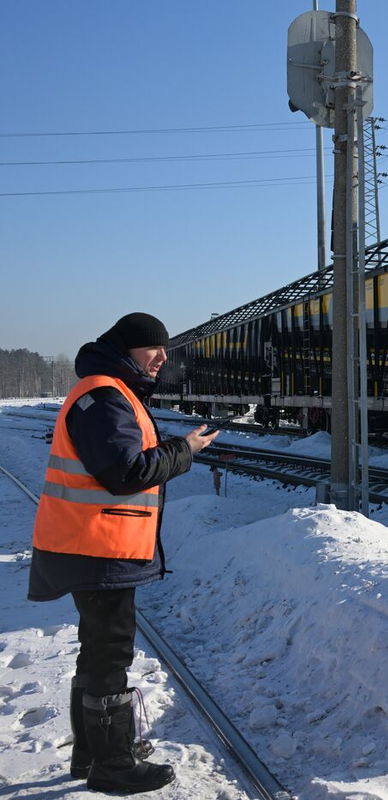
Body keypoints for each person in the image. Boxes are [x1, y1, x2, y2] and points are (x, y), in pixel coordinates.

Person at [27, 312, 219, 793]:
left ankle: (91, 754)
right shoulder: (104, 396)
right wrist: (185, 449)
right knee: (110, 655)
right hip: (96, 546)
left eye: (164, 349)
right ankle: (113, 766)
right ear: (127, 347)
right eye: (152, 348)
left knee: (98, 651)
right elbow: (125, 472)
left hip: (94, 544)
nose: (161, 358)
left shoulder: (108, 391)